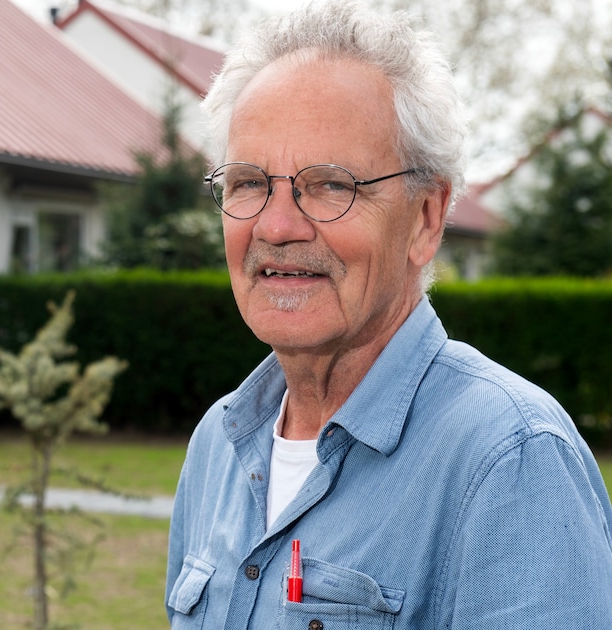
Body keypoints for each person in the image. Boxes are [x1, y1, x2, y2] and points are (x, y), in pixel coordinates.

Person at [165, 1, 612, 628]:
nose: (277, 225)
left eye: (330, 184)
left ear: (426, 219)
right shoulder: (218, 442)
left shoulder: (508, 462)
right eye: (247, 182)